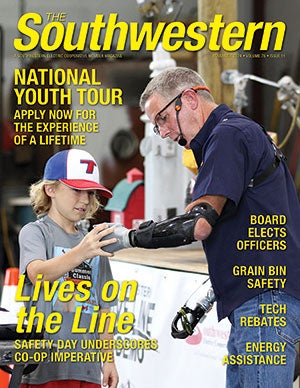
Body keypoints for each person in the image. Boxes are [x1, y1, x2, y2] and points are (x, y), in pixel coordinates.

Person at [113, 67, 300, 387]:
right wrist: (202, 301)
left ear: (188, 99)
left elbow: (198, 224)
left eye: (161, 120)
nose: (164, 133)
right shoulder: (236, 135)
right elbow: (244, 236)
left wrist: (129, 237)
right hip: (257, 302)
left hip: (264, 305)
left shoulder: (227, 135)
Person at [19, 148, 120, 388]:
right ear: (50, 189)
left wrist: (108, 360)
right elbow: (38, 273)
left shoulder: (94, 242)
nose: (85, 200)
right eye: (76, 190)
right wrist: (82, 251)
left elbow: (105, 309)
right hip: (43, 368)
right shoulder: (35, 233)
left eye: (90, 192)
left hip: (85, 368)